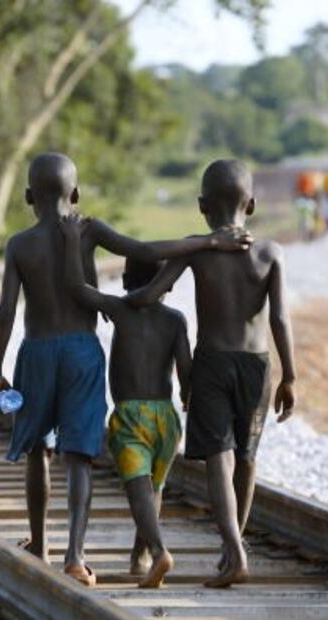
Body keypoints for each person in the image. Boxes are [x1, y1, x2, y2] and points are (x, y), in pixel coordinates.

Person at [0, 152, 250, 587]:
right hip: (82, 353)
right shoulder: (89, 230)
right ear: (76, 195)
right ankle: (75, 555)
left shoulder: (19, 244)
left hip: (35, 352)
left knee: (38, 451)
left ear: (29, 197)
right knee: (79, 459)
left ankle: (39, 542)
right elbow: (147, 251)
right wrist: (208, 242)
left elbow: (5, 310)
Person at [126, 159, 297, 588]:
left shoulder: (198, 249)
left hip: (213, 364)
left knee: (218, 458)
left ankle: (234, 550)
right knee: (247, 457)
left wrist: (119, 304)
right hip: (258, 366)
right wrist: (291, 375)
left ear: (202, 206)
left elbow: (150, 291)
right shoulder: (271, 252)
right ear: (252, 205)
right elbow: (280, 318)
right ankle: (232, 548)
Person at [60, 217, 190, 588]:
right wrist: (189, 396)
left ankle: (160, 549)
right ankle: (141, 556)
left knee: (137, 491)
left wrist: (72, 242)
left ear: (127, 281)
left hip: (131, 416)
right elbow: (185, 369)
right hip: (166, 418)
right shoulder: (176, 320)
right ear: (166, 286)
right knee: (155, 488)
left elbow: (75, 287)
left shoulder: (121, 309)